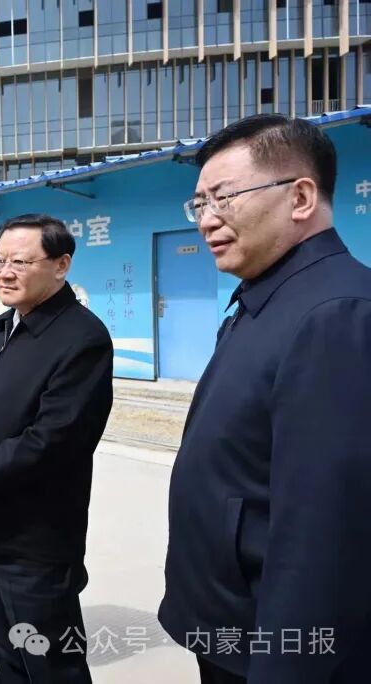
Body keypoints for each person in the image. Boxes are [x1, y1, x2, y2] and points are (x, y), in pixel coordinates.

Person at [159, 114, 371, 684]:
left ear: (300, 197)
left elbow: (325, 535)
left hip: (268, 646)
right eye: (199, 203)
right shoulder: (267, 298)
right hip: (229, 627)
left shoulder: (336, 314)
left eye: (223, 198)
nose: (207, 219)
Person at [0, 215, 114, 684]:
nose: (5, 273)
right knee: (10, 657)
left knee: (50, 666)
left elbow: (53, 441)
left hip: (35, 541)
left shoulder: (82, 338)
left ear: (61, 265)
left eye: (20, 262)